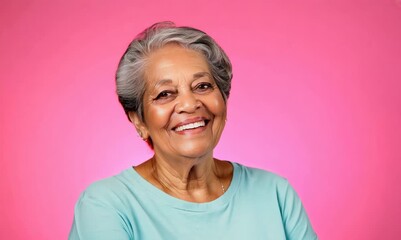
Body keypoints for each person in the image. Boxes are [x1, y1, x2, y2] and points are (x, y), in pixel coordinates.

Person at [69, 22, 318, 240]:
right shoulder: (105, 205)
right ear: (138, 120)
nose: (190, 104)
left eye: (202, 86)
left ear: (223, 99)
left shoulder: (275, 193)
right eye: (165, 94)